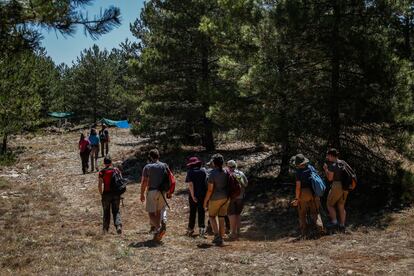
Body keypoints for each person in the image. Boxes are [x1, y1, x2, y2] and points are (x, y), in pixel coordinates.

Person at [291, 154, 324, 238]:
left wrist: (297, 198)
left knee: (302, 213)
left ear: (297, 163)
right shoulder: (310, 168)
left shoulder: (298, 172)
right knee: (315, 212)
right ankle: (320, 228)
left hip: (304, 193)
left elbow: (298, 187)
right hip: (314, 192)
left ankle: (304, 233)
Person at [140, 149, 169, 242]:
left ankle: (159, 228)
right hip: (162, 192)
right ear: (158, 156)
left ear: (150, 157)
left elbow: (144, 181)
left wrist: (142, 194)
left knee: (151, 213)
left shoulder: (148, 167)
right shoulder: (164, 165)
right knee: (158, 211)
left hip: (152, 191)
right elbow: (169, 178)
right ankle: (157, 233)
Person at [203, 154, 230, 246]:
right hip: (226, 198)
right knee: (221, 217)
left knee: (212, 217)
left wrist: (205, 201)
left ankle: (217, 236)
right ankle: (221, 238)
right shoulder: (226, 171)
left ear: (214, 163)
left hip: (215, 198)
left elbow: (210, 189)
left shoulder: (212, 173)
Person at [323, 148, 349, 232]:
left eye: (328, 156)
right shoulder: (343, 162)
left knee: (329, 204)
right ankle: (342, 225)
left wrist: (326, 170)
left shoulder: (332, 165)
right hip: (346, 186)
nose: (327, 157)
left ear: (331, 155)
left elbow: (330, 178)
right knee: (341, 205)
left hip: (337, 185)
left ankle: (334, 222)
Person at [98, 156, 122, 234]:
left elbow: (99, 185)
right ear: (111, 162)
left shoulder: (102, 172)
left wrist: (101, 194)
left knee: (106, 211)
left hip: (106, 194)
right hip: (116, 194)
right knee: (116, 211)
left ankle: (105, 229)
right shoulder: (116, 170)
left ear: (104, 163)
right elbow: (121, 182)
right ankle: (118, 226)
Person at [185, 157, 208, 237]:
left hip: (193, 195)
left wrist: (193, 196)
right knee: (201, 211)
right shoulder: (203, 171)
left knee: (192, 212)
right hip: (202, 194)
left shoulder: (190, 172)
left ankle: (190, 229)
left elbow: (191, 185)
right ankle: (202, 230)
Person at [226, 160, 248, 240]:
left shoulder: (227, 174)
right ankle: (238, 232)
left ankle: (233, 233)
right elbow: (246, 184)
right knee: (238, 214)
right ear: (235, 165)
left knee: (231, 214)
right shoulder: (241, 173)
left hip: (231, 197)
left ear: (228, 166)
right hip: (241, 197)